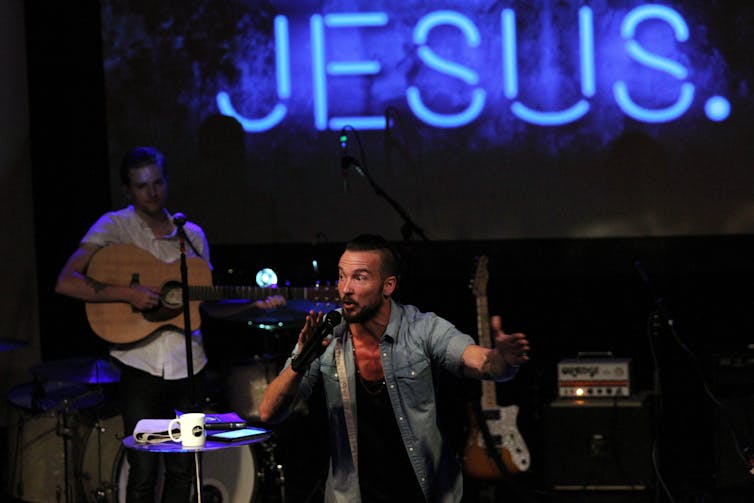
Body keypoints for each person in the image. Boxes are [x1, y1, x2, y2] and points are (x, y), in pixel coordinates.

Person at [55, 146, 283, 502]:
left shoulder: (190, 234)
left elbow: (203, 306)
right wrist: (127, 294)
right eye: (142, 185)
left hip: (189, 366)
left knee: (183, 470)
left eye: (158, 182)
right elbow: (66, 280)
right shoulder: (114, 227)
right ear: (128, 190)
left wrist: (253, 301)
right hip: (139, 367)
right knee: (143, 470)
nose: (152, 192)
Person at [259, 233, 530, 502]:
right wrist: (300, 362)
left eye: (359, 277)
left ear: (388, 286)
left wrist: (502, 359)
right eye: (342, 276)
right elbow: (268, 412)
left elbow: (482, 363)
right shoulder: (327, 332)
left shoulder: (422, 328)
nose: (346, 289)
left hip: (426, 493)